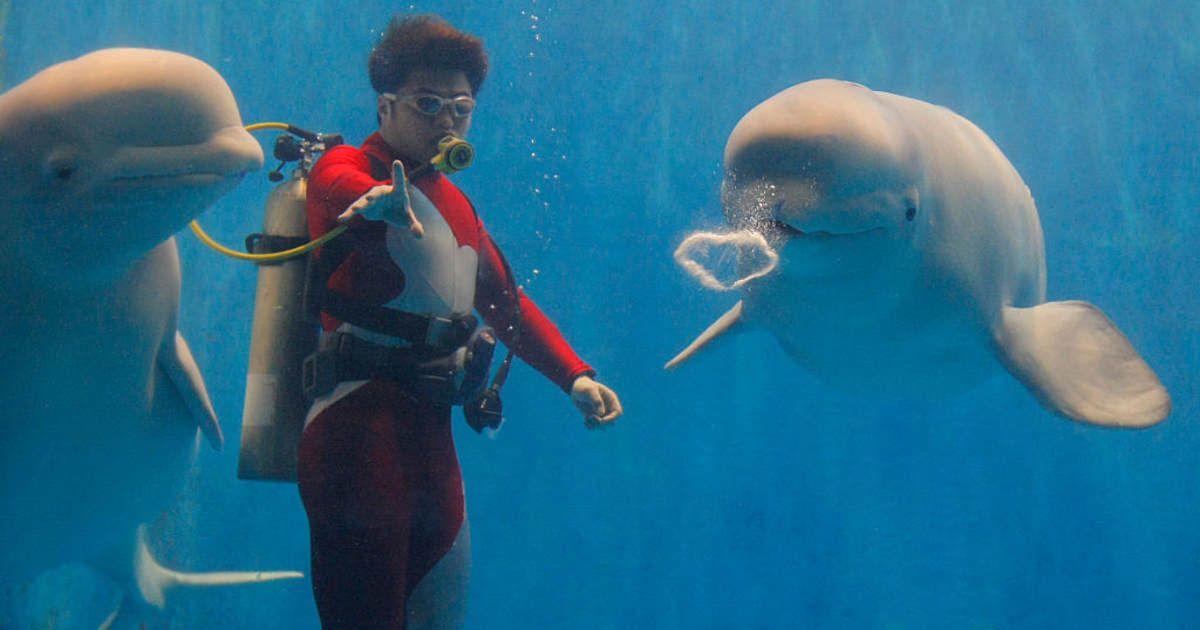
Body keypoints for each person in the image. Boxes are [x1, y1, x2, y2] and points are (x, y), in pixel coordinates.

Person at [295, 14, 623, 629]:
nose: (447, 121)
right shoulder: (346, 167)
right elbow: (334, 186)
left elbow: (508, 307)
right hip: (354, 436)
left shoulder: (456, 203)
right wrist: (371, 202)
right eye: (428, 104)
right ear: (386, 107)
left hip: (431, 440)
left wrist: (574, 377)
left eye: (461, 108)